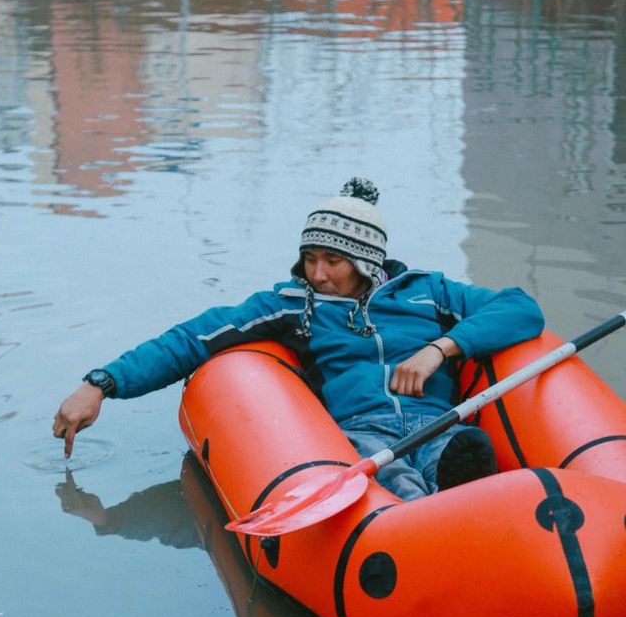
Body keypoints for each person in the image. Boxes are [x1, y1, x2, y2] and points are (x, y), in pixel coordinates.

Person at [53, 178, 545, 500]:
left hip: (436, 419)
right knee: (394, 482)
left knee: (459, 449)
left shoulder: (426, 292)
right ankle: (422, 516)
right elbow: (194, 337)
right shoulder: (292, 305)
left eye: (333, 261)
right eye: (310, 258)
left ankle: (468, 497)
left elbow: (520, 307)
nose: (319, 273)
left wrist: (440, 348)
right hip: (360, 428)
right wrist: (102, 383)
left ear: (367, 261)